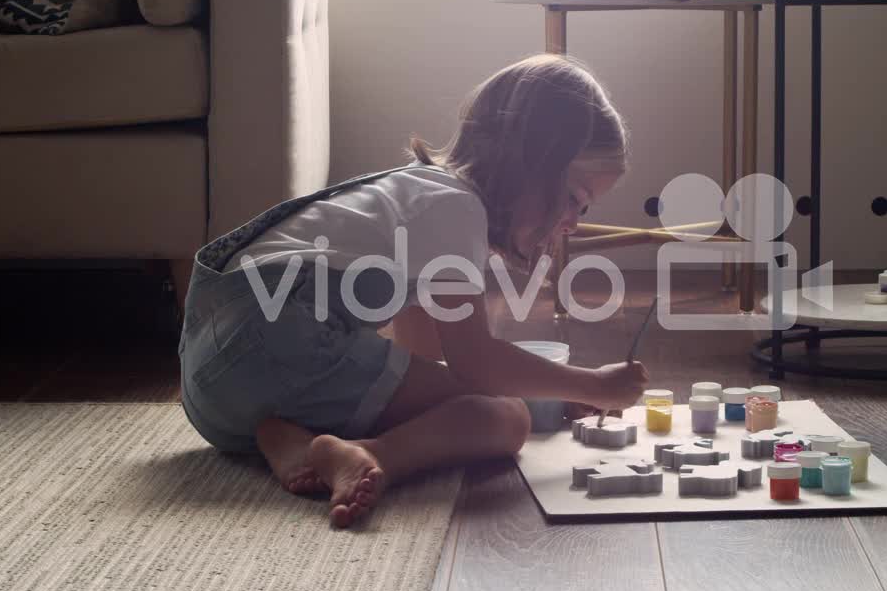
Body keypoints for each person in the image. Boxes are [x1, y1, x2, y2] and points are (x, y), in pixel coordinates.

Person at [178, 54, 647, 527]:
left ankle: (289, 439)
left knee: (480, 405)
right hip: (279, 346)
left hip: (213, 392)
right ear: (531, 164)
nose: (571, 224)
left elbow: (427, 361)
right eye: (574, 200)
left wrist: (547, 393)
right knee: (506, 420)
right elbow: (477, 365)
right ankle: (371, 454)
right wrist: (593, 385)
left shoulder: (417, 192)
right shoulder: (456, 210)